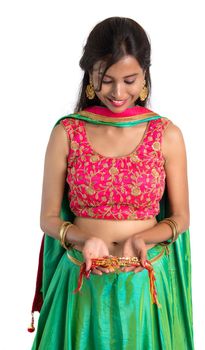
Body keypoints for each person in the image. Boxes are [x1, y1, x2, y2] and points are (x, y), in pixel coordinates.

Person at [30, 17, 194, 350]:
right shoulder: (67, 133)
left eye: (129, 80)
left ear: (145, 77)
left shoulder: (167, 135)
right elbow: (48, 218)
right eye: (106, 81)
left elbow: (180, 218)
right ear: (90, 77)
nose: (118, 93)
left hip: (145, 288)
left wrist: (143, 238)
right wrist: (84, 238)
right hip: (81, 284)